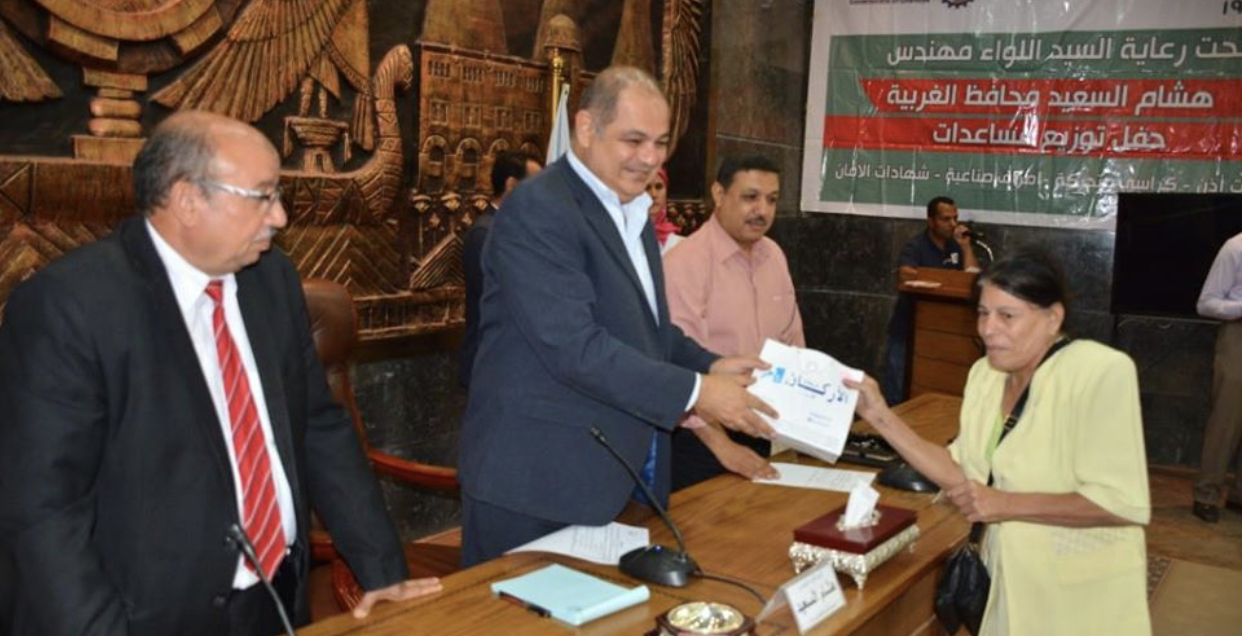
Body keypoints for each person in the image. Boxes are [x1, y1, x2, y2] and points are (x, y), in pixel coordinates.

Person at [0, 111, 441, 636]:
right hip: (146, 617)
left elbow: (319, 429)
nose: (280, 217)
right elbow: (43, 511)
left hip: (277, 595)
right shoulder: (71, 306)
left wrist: (382, 571)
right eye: (262, 197)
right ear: (188, 199)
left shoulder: (272, 279)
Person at [457, 66, 778, 566]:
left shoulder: (631, 212)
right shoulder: (539, 209)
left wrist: (711, 363)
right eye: (634, 140)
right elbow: (575, 347)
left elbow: (645, 330)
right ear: (586, 128)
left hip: (611, 477)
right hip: (535, 481)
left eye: (660, 143)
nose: (650, 158)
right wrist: (698, 391)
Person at [846, 250, 1151, 636]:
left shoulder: (1098, 371)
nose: (988, 329)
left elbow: (1121, 501)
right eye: (982, 313)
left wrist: (1005, 503)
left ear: (1053, 318)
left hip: (1079, 600)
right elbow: (961, 473)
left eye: (1007, 316)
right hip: (1007, 585)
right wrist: (879, 416)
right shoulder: (984, 375)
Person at [664, 154, 802, 489]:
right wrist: (723, 447)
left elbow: (793, 344)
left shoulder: (774, 256)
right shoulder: (685, 262)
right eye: (750, 197)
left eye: (771, 200)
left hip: (761, 426)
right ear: (719, 194)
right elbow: (678, 366)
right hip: (700, 436)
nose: (762, 211)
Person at [881, 195, 980, 404]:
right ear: (931, 221)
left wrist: (966, 247)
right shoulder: (916, 246)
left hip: (941, 333)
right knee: (898, 390)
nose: (953, 224)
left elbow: (972, 279)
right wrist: (934, 278)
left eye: (955, 218)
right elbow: (905, 274)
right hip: (908, 330)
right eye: (946, 219)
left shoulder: (956, 246)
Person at [460, 151, 543, 387]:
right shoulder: (485, 234)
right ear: (512, 185)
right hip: (490, 366)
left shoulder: (518, 229)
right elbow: (506, 299)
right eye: (535, 185)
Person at [1191, 231, 1242, 522]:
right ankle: (1206, 494)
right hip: (1238, 335)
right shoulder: (1235, 247)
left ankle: (1238, 495)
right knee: (1227, 419)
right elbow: (1206, 303)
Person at [646, 168, 684, 254]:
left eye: (658, 187)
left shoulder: (679, 244)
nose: (653, 194)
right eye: (647, 188)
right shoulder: (626, 237)